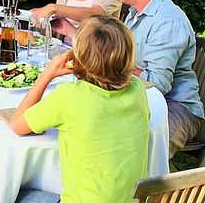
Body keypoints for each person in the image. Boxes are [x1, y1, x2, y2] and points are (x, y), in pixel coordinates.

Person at [11, 15, 150, 203]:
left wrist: (47, 74)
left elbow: (17, 125)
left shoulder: (68, 97)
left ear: (78, 56)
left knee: (12, 192)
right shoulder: (138, 89)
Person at [112, 0, 204, 158]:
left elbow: (158, 84)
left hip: (175, 106)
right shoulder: (136, 13)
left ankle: (162, 188)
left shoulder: (167, 21)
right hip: (140, 96)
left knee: (141, 155)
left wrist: (117, 66)